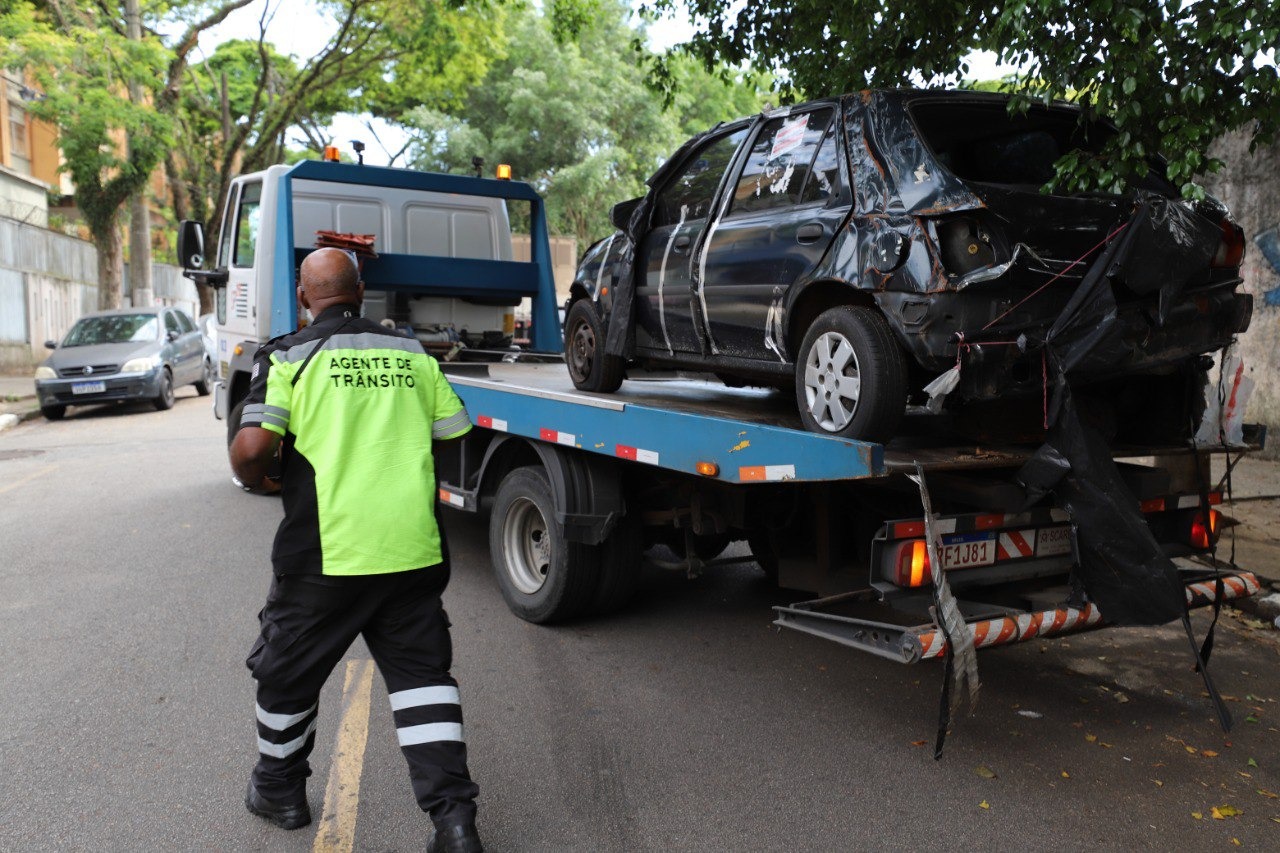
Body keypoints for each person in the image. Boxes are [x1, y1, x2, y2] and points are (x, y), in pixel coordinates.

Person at [230, 248, 482, 853]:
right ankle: (454, 824)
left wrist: (260, 477)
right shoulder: (411, 352)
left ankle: (279, 790)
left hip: (326, 554)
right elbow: (452, 432)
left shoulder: (291, 354)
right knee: (423, 681)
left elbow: (250, 449)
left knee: (285, 675)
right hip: (411, 549)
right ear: (360, 290)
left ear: (302, 296)